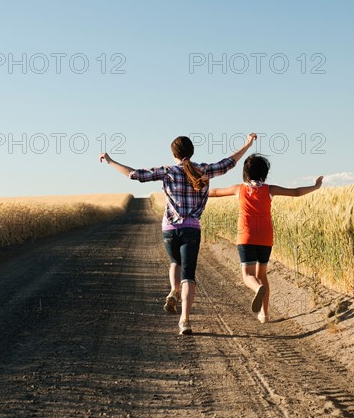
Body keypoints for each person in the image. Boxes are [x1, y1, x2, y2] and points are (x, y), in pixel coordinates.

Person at [99, 133, 257, 335]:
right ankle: (185, 320)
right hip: (191, 229)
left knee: (175, 262)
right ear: (192, 152)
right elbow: (229, 163)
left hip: (170, 229)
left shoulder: (168, 172)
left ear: (173, 154)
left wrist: (110, 161)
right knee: (188, 276)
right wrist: (247, 144)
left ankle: (173, 292)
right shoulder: (204, 170)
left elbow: (134, 174)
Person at [209, 153, 323, 323]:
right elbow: (296, 192)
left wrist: (194, 188)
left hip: (246, 237)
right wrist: (315, 186)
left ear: (245, 173)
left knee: (248, 275)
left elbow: (216, 192)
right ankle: (264, 314)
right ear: (264, 173)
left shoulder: (239, 189)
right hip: (265, 238)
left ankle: (257, 289)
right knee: (262, 274)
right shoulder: (269, 189)